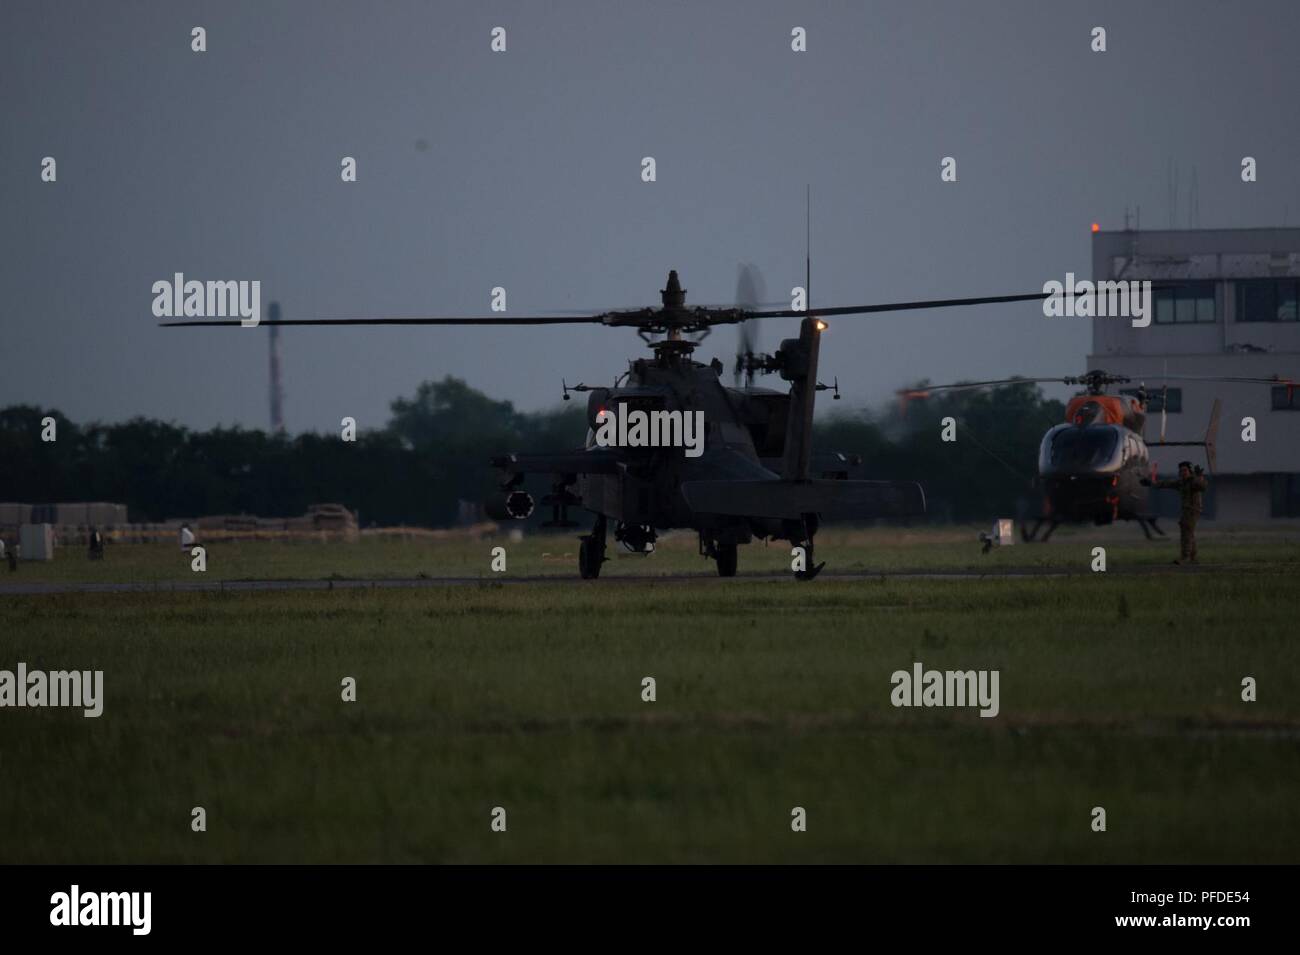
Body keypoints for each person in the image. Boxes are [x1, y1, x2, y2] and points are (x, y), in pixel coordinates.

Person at [1142, 460, 1208, 564]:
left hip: (1193, 510)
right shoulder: (1181, 482)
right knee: (1188, 531)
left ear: (1190, 471)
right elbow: (1165, 483)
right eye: (1181, 471)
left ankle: (1185, 557)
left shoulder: (1193, 481)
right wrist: (1150, 483)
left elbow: (1202, 486)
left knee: (1186, 532)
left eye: (1185, 470)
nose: (1183, 473)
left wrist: (1199, 476)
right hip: (1186, 510)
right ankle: (1193, 557)